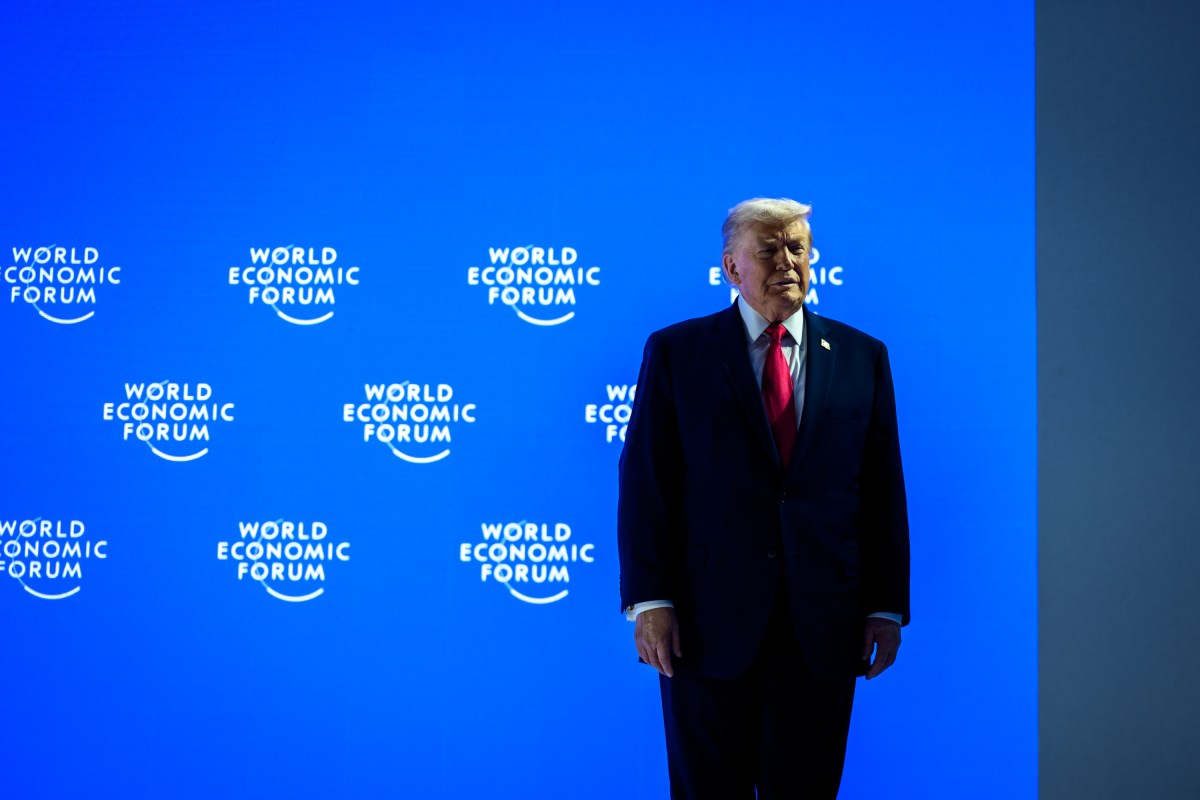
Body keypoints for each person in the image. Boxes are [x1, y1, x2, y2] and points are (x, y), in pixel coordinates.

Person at [617, 197, 910, 799]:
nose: (787, 262)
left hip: (822, 627)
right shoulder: (677, 352)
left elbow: (882, 490)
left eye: (798, 248)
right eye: (769, 249)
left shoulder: (862, 356)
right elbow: (648, 481)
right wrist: (650, 599)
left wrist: (884, 606)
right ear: (731, 267)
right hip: (704, 625)